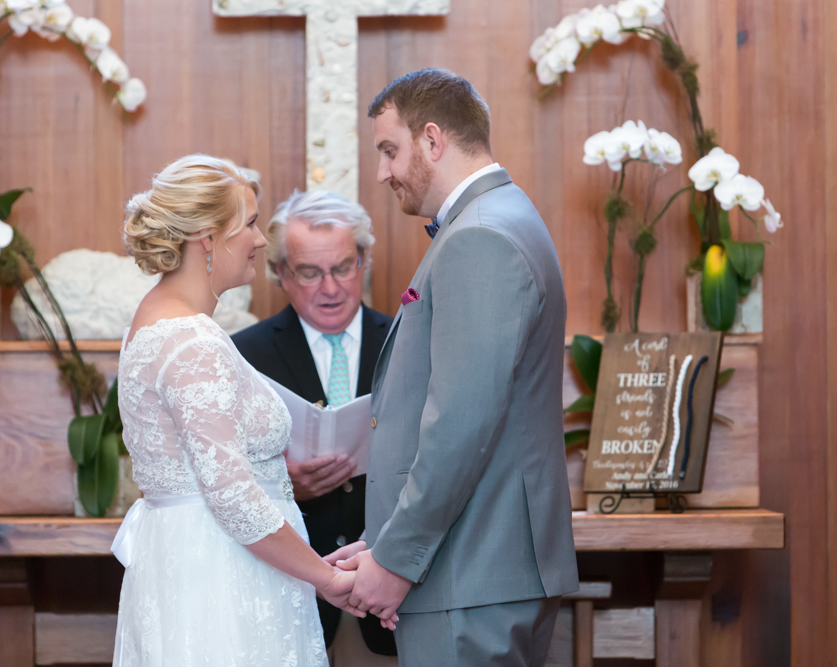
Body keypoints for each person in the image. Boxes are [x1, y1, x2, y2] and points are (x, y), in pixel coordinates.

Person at [326, 69, 579, 665]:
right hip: (479, 566)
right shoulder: (502, 216)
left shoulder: (479, 237)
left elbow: (461, 427)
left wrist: (395, 560)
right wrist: (387, 539)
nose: (382, 172)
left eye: (390, 150)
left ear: (433, 141)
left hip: (469, 573)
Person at [110, 154, 363, 666]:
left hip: (199, 561)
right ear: (207, 237)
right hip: (223, 579)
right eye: (248, 224)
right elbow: (231, 496)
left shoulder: (158, 321)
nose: (260, 239)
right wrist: (326, 577)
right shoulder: (191, 338)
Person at [231, 190, 397, 657]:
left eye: (343, 267)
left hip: (395, 602)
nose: (330, 287)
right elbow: (222, 479)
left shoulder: (406, 342)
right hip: (293, 597)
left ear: (363, 261)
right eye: (309, 272)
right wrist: (281, 483)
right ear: (280, 272)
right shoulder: (244, 355)